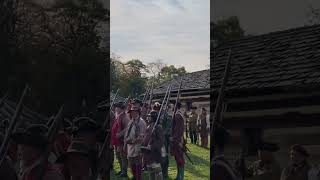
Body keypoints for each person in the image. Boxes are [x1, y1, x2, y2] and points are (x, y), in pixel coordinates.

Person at [124, 105, 147, 180]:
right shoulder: (131, 121)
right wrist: (126, 143)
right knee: (131, 163)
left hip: (137, 146)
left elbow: (142, 136)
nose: (132, 113)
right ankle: (135, 177)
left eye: (134, 112)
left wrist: (132, 141)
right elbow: (127, 133)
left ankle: (138, 178)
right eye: (131, 112)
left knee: (138, 163)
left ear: (138, 112)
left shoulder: (141, 122)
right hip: (130, 146)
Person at [141, 111, 164, 180]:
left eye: (149, 116)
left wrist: (152, 146)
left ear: (153, 117)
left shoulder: (158, 127)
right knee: (150, 172)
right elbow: (146, 138)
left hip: (154, 154)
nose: (148, 117)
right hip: (147, 153)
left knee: (157, 172)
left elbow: (161, 141)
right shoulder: (149, 126)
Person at [111, 102, 129, 178]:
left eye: (117, 107)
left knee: (123, 157)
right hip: (117, 141)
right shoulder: (118, 116)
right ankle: (122, 170)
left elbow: (127, 128)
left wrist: (120, 134)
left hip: (122, 141)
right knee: (119, 156)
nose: (116, 109)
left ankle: (124, 172)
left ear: (121, 109)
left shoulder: (125, 117)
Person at [170, 102, 185, 180]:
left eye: (173, 106)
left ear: (176, 106)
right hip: (176, 140)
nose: (172, 107)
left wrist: (174, 138)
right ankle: (178, 175)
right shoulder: (176, 115)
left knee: (180, 159)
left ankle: (181, 177)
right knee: (177, 158)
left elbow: (179, 130)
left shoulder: (178, 116)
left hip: (177, 140)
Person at [160, 103, 172, 180]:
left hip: (164, 139)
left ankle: (165, 174)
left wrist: (162, 135)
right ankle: (161, 173)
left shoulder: (168, 116)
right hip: (159, 139)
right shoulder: (159, 114)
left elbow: (168, 128)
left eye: (164, 106)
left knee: (164, 157)